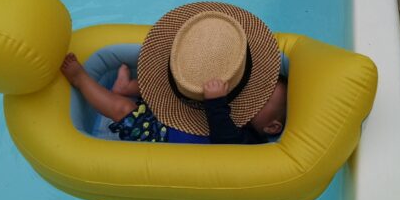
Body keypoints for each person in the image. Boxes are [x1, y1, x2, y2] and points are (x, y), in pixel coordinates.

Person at [60, 55, 287, 144]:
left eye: (265, 100)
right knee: (176, 89)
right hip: (174, 116)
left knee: (123, 109)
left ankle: (81, 79)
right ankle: (127, 87)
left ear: (272, 126)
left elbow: (224, 139)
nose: (256, 97)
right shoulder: (241, 110)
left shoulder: (249, 140)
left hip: (160, 136)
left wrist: (217, 102)